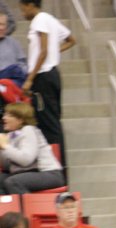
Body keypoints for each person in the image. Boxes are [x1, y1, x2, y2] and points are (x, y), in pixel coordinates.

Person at [19, 0, 74, 160]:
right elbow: (71, 40)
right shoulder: (50, 19)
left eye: (23, 9)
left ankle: (57, 168)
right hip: (52, 75)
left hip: (43, 77)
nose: (23, 14)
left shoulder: (40, 19)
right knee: (53, 122)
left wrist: (30, 79)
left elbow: (42, 52)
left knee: (48, 125)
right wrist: (54, 51)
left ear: (30, 5)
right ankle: (60, 168)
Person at [0, 101, 64, 194]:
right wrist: (2, 148)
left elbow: (26, 160)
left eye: (9, 115)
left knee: (13, 182)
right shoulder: (10, 136)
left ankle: (25, 208)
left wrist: (5, 146)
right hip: (25, 173)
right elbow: (7, 166)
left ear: (20, 119)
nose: (4, 118)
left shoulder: (29, 130)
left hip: (49, 173)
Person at [0, 12, 26, 87]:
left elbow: (22, 63)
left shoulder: (14, 43)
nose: (1, 28)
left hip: (11, 84)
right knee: (14, 69)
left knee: (17, 70)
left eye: (3, 24)